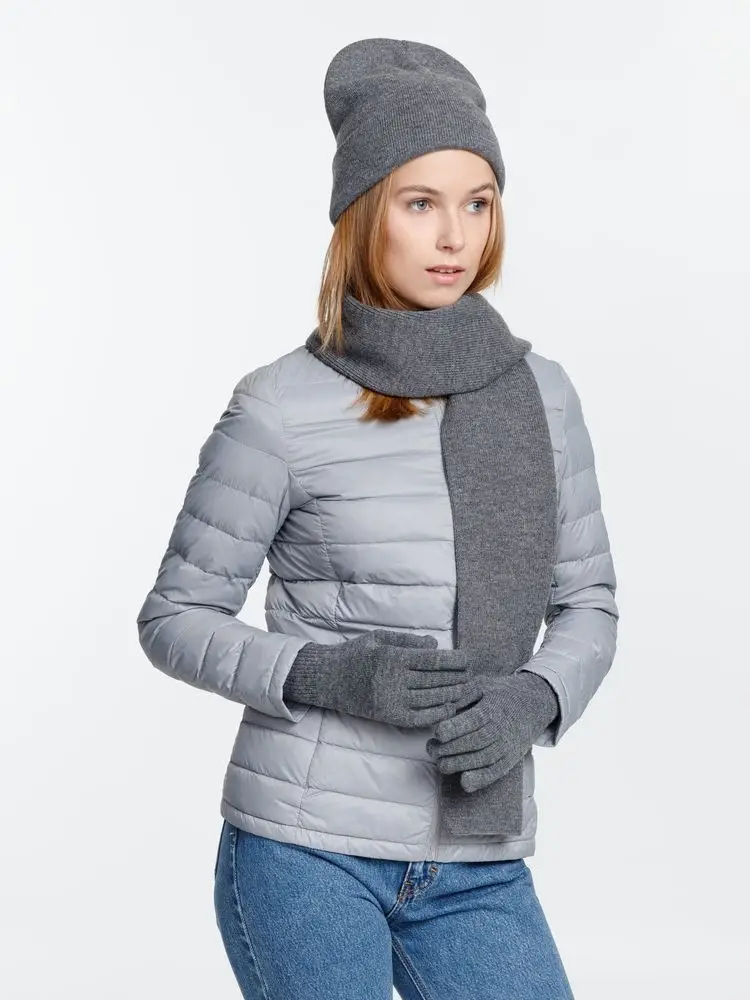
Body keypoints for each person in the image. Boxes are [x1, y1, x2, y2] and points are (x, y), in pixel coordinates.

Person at [136, 37, 619, 1000]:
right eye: (420, 203)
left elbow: (589, 603)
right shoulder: (280, 405)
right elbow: (173, 619)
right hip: (305, 849)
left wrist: (535, 697)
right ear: (365, 215)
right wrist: (327, 674)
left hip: (476, 858)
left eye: (478, 203)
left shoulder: (543, 394)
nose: (455, 237)